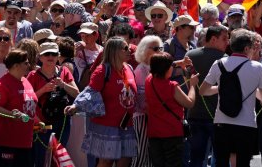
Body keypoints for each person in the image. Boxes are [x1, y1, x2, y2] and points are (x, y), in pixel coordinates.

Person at [199, 30, 262, 167]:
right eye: (252, 48)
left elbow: (203, 91)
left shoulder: (219, 63)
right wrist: (253, 92)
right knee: (242, 163)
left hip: (221, 122)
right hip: (246, 124)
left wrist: (221, 89)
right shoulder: (257, 67)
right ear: (246, 48)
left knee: (221, 161)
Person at [65, 37, 137, 167]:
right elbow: (89, 92)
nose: (130, 50)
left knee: (125, 161)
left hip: (127, 125)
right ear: (114, 51)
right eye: (125, 48)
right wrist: (76, 106)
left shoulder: (129, 68)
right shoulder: (103, 70)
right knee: (106, 161)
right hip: (107, 126)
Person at [27, 41, 78, 165]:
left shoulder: (64, 71)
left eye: (54, 54)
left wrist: (63, 85)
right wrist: (43, 90)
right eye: (47, 54)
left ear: (58, 56)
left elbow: (76, 93)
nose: (50, 57)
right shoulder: (33, 75)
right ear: (40, 57)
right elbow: (27, 100)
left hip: (62, 122)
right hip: (40, 122)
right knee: (40, 157)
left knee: (58, 157)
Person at [185, 25, 229, 167]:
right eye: (224, 39)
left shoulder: (190, 55)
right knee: (221, 158)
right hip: (218, 118)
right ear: (213, 39)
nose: (227, 42)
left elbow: (188, 85)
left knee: (196, 158)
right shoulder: (225, 59)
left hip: (195, 115)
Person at [145, 52, 199, 167]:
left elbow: (161, 65)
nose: (173, 68)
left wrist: (180, 63)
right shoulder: (171, 86)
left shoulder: (149, 80)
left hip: (154, 133)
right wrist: (193, 85)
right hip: (172, 134)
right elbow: (189, 103)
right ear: (166, 68)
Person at [0, 49, 38, 167]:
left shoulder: (25, 81)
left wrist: (37, 122)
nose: (29, 65)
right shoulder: (2, 84)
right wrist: (12, 114)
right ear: (16, 66)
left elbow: (29, 107)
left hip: (25, 141)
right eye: (26, 63)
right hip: (7, 142)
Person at [133, 35, 164, 167]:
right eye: (156, 48)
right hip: (142, 118)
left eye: (161, 48)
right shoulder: (141, 70)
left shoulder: (154, 69)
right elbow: (140, 98)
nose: (160, 51)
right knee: (141, 153)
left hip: (153, 117)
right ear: (145, 50)